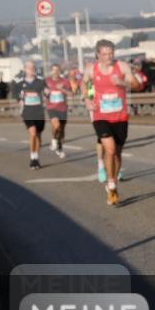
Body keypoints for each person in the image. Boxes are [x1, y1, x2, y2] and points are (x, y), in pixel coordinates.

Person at [82, 40, 140, 205]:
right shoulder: (91, 69)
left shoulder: (122, 67)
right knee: (110, 149)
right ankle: (111, 183)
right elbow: (83, 83)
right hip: (100, 115)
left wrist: (123, 83)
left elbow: (136, 85)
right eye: (105, 54)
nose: (108, 57)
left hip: (120, 116)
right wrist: (86, 99)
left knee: (117, 153)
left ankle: (112, 180)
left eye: (111, 53)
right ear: (98, 55)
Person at [12, 60, 47, 170]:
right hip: (27, 111)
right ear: (25, 69)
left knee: (38, 136)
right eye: (29, 68)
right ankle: (33, 158)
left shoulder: (40, 81)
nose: (32, 70)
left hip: (39, 111)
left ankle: (36, 157)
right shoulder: (19, 82)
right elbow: (14, 93)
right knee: (33, 133)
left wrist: (47, 93)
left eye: (33, 68)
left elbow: (46, 91)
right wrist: (19, 100)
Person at [44, 63, 72, 158]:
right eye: (54, 70)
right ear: (51, 71)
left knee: (61, 130)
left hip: (62, 108)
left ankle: (58, 146)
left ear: (60, 71)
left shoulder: (65, 81)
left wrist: (62, 89)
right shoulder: (47, 81)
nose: (55, 72)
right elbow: (43, 94)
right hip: (51, 107)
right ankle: (55, 142)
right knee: (56, 125)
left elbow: (70, 93)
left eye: (57, 70)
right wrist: (46, 93)